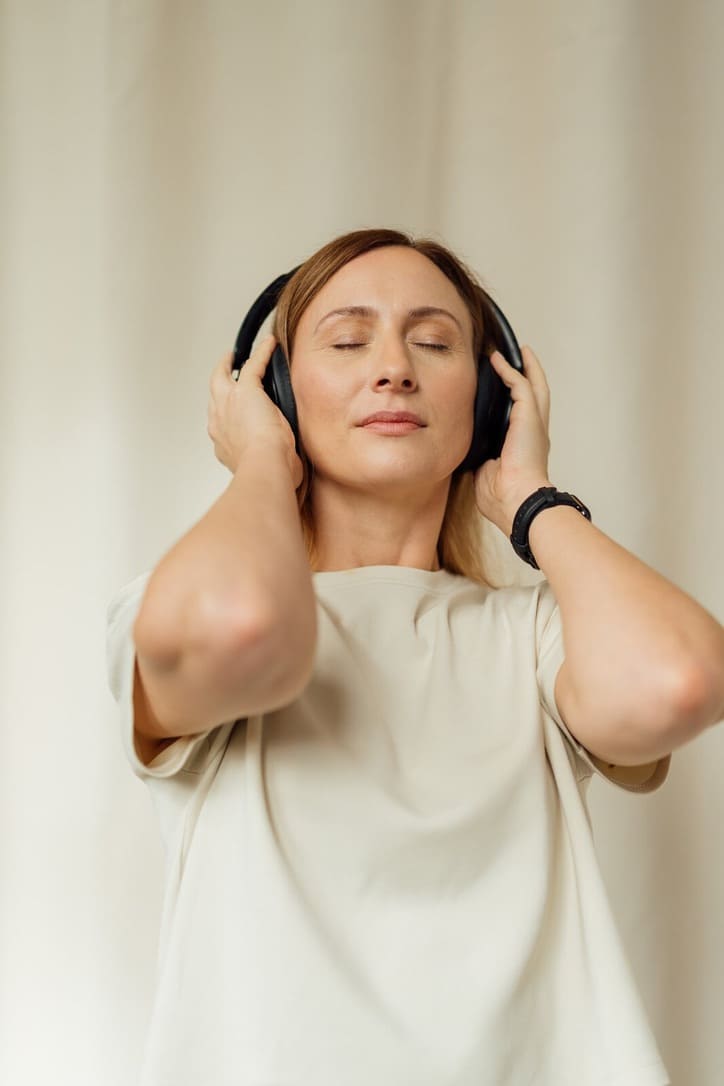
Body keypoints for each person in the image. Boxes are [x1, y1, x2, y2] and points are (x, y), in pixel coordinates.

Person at [106, 228, 724, 1086]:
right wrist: (259, 461)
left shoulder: (540, 634)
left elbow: (676, 681)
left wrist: (533, 500)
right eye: (348, 340)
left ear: (489, 404)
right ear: (279, 391)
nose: (394, 367)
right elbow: (241, 625)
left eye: (434, 342)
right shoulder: (175, 601)